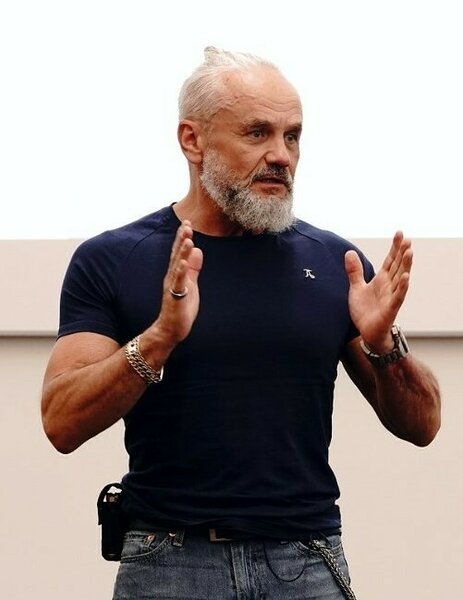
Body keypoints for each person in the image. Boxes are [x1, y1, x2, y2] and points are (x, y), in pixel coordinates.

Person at [41, 46, 441, 600]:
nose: (281, 155)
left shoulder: (336, 262)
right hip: (168, 562)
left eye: (292, 136)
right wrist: (158, 341)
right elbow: (61, 422)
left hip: (305, 561)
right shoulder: (114, 258)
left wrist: (383, 345)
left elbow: (423, 426)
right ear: (192, 140)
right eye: (257, 133)